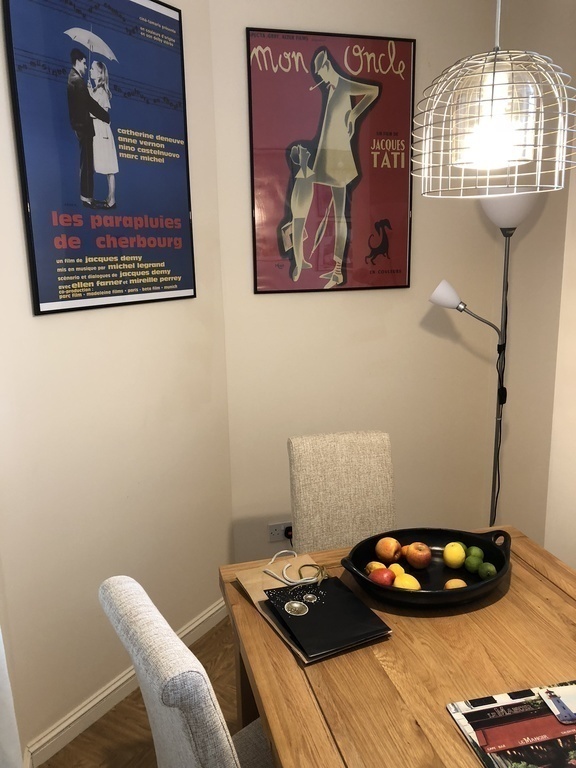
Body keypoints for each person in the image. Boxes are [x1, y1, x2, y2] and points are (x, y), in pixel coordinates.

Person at [284, 49, 380, 288]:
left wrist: (355, 115)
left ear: (327, 65)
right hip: (326, 158)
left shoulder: (344, 86)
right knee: (305, 185)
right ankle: (300, 255)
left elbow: (373, 91)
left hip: (339, 160)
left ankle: (337, 269)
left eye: (321, 73)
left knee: (339, 216)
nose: (320, 79)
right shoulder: (331, 88)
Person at [67, 48, 111, 208]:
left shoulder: (74, 78)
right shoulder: (77, 81)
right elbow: (90, 105)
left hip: (81, 126)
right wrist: (105, 116)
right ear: (78, 62)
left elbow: (85, 102)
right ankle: (87, 198)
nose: (86, 67)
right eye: (85, 63)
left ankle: (87, 196)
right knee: (87, 165)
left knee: (86, 164)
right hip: (84, 127)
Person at [89, 60, 118, 209]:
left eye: (93, 69)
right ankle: (108, 198)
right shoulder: (96, 90)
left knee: (109, 167)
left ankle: (111, 198)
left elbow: (102, 114)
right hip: (97, 131)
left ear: (100, 73)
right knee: (99, 164)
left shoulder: (102, 92)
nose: (90, 70)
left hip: (102, 132)